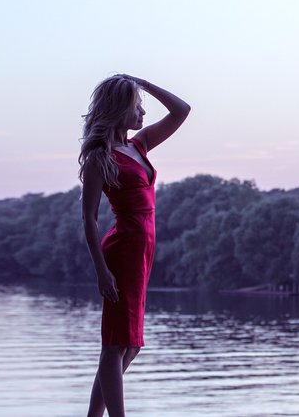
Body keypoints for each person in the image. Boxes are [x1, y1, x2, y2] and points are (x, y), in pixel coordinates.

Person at [79, 73, 190, 417]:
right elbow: (89, 218)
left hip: (143, 251)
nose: (142, 114)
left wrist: (142, 82)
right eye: (136, 107)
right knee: (116, 343)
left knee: (132, 344)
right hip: (123, 250)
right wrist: (100, 271)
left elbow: (181, 110)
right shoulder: (101, 157)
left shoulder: (138, 145)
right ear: (118, 110)